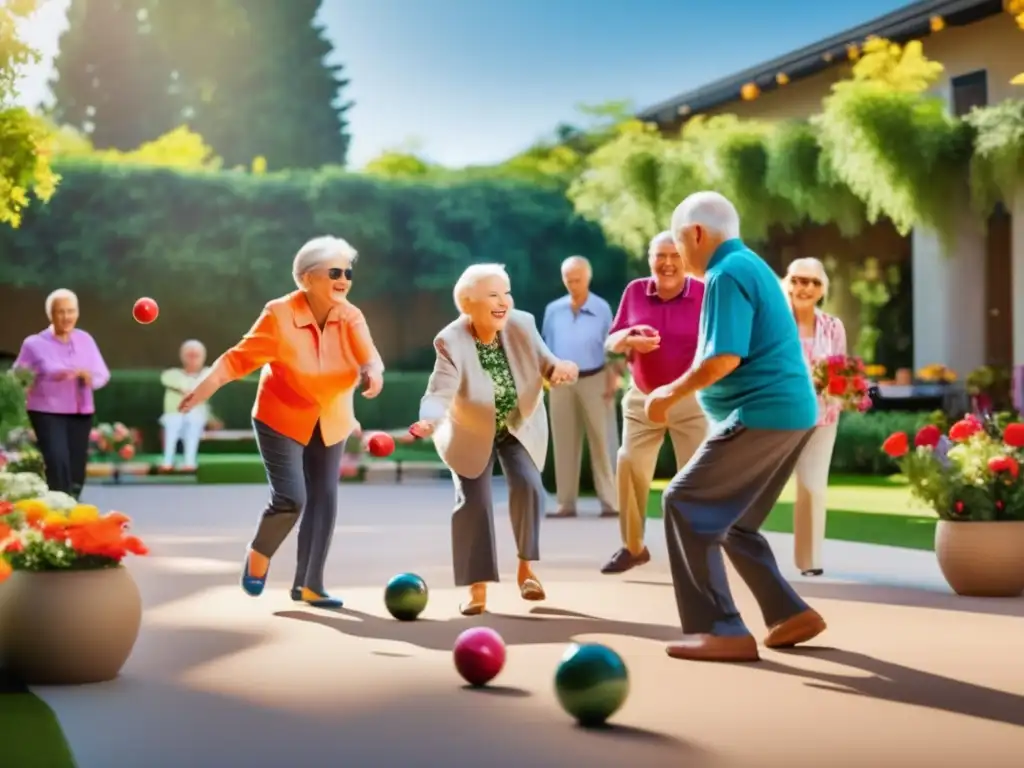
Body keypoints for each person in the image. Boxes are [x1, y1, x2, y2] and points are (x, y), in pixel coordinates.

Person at [646, 191, 824, 663]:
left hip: (761, 413)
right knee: (736, 524)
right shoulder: (751, 266)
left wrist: (670, 392)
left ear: (698, 233)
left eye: (679, 242)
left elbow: (723, 357)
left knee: (684, 501)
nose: (678, 253)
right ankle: (789, 613)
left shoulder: (726, 274)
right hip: (791, 413)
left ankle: (722, 628)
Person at [180, 236, 384, 609]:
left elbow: (370, 357)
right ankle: (259, 553)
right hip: (281, 415)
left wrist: (373, 372)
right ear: (306, 278)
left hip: (332, 415)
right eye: (334, 272)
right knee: (292, 498)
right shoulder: (279, 314)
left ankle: (309, 585)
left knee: (324, 497)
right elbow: (235, 359)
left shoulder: (350, 315)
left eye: (348, 273)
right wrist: (202, 388)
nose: (343, 280)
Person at [411, 263, 579, 615]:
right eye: (493, 295)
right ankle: (477, 590)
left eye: (507, 293)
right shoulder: (450, 340)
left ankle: (526, 569)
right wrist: (428, 421)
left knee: (531, 486)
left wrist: (561, 369)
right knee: (474, 503)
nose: (504, 301)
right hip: (469, 431)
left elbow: (547, 363)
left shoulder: (522, 323)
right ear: (468, 303)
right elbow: (439, 392)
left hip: (517, 424)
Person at [600, 232, 707, 575]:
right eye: (660, 255)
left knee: (694, 478)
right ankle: (633, 548)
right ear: (650, 259)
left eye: (675, 256)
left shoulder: (704, 293)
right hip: (643, 398)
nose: (668, 263)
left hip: (689, 399)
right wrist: (629, 338)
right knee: (629, 464)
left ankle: (696, 551)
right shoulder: (635, 291)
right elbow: (613, 339)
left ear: (686, 260)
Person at [14, 288, 110, 498]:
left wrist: (89, 378)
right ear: (51, 314)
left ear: (77, 313)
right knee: (57, 460)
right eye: (61, 312)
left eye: (71, 311)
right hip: (47, 411)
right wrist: (44, 376)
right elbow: (17, 377)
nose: (66, 317)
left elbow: (102, 374)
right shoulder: (34, 344)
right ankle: (59, 503)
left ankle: (73, 503)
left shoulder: (86, 339)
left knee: (76, 466)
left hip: (80, 411)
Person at [541, 256, 618, 519]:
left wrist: (613, 379)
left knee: (603, 441)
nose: (573, 284)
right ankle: (566, 504)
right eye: (569, 280)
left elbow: (612, 348)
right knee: (564, 442)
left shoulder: (602, 308)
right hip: (561, 383)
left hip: (595, 378)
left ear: (588, 277)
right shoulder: (553, 310)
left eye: (578, 279)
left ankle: (611, 502)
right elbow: (545, 348)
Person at [784, 258, 847, 577]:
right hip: (778, 417)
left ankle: (809, 561)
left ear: (822, 289)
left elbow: (841, 372)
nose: (804, 288)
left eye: (812, 282)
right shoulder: (775, 323)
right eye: (797, 280)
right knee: (756, 487)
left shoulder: (834, 327)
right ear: (788, 283)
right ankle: (736, 552)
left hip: (822, 417)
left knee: (813, 487)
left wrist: (834, 386)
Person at [159, 340, 214, 472]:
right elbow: (171, 381)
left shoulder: (208, 373)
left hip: (197, 414)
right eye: (190, 355)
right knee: (173, 422)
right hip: (174, 414)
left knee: (194, 422)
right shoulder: (172, 374)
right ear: (182, 356)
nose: (193, 359)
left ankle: (189, 463)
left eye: (196, 355)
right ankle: (167, 462)